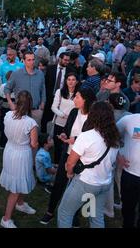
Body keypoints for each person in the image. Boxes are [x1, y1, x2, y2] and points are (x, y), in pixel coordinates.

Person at [58, 102, 120, 228]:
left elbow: (70, 162)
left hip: (85, 183)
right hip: (104, 184)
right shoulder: (115, 137)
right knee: (96, 217)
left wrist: (69, 173)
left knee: (65, 213)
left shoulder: (87, 136)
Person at [40, 87, 97, 225]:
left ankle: (75, 215)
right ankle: (50, 211)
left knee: (77, 189)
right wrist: (65, 134)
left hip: (82, 159)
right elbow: (67, 129)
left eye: (77, 97)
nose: (74, 99)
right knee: (59, 183)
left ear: (86, 100)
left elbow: (93, 138)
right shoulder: (73, 112)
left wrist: (76, 139)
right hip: (68, 153)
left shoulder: (94, 117)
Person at [0, 90, 39, 228]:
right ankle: (6, 219)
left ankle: (20, 204)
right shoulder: (31, 123)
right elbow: (34, 144)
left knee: (19, 180)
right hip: (21, 154)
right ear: (29, 105)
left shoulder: (8, 115)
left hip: (9, 151)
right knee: (15, 188)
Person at [5, 51, 46, 127]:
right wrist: (10, 102)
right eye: (29, 60)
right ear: (23, 61)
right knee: (21, 135)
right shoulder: (16, 74)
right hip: (20, 110)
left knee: (35, 134)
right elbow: (7, 88)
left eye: (33, 59)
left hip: (36, 110)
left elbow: (43, 90)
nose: (32, 62)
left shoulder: (40, 74)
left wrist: (42, 104)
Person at [116, 113, 140, 228]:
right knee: (127, 207)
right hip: (130, 174)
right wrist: (118, 154)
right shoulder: (129, 119)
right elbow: (111, 136)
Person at [50, 73, 80, 163]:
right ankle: (56, 163)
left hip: (72, 124)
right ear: (66, 81)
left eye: (73, 79)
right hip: (59, 122)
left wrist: (71, 118)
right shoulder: (59, 92)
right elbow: (54, 107)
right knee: (58, 144)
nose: (71, 82)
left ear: (77, 81)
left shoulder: (79, 94)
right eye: (69, 79)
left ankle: (66, 163)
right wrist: (63, 115)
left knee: (68, 146)